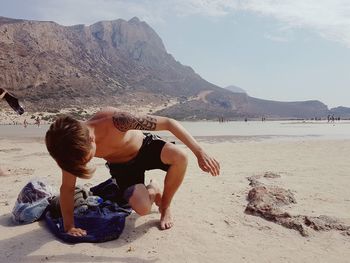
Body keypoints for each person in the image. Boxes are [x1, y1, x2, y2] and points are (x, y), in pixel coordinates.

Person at [45, 107, 220, 236]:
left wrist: (199, 152)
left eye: (85, 158)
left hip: (145, 148)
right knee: (143, 208)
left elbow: (168, 123)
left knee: (180, 156)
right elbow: (67, 188)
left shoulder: (117, 120)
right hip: (121, 167)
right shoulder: (68, 147)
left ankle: (165, 205)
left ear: (91, 139)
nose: (83, 163)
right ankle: (154, 189)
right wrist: (69, 227)